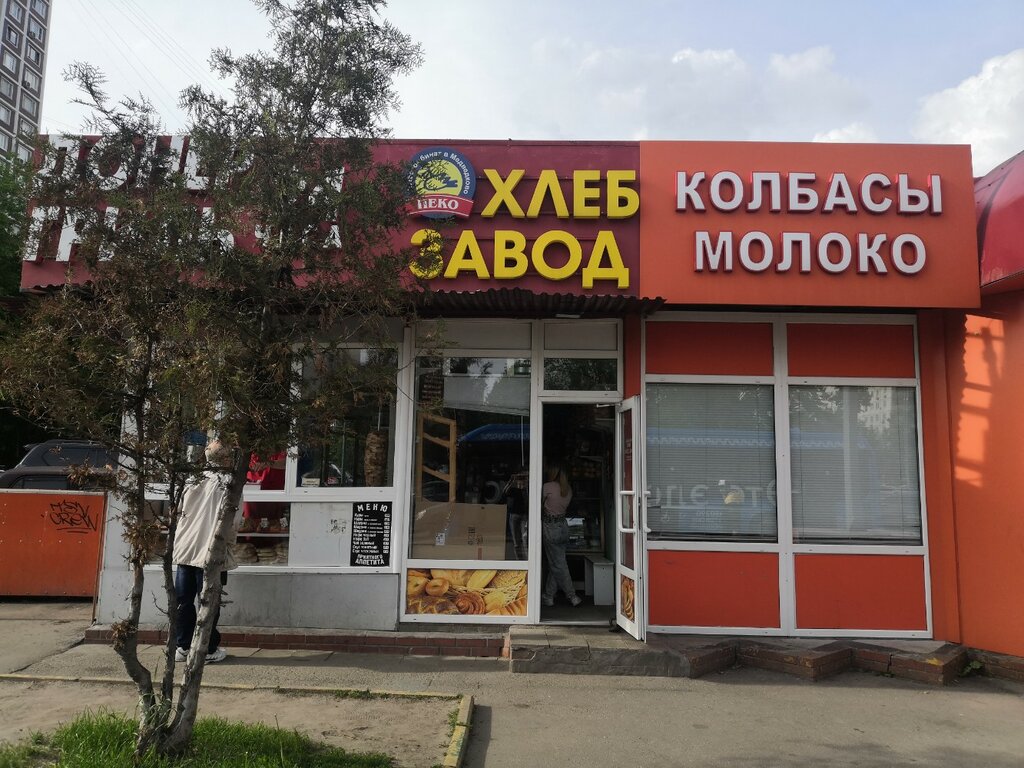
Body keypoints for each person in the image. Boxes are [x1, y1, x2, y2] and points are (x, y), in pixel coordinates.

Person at [172, 439, 240, 664]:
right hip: (212, 550)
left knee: (184, 601)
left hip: (186, 547)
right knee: (209, 602)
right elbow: (233, 522)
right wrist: (229, 545)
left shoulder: (193, 479)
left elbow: (180, 511)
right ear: (227, 458)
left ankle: (183, 646)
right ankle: (207, 647)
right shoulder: (230, 484)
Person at [541, 463, 582, 607]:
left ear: (553, 473)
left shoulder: (547, 487)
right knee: (557, 562)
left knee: (559, 564)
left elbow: (536, 504)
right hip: (563, 526)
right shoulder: (568, 489)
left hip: (551, 526)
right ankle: (548, 596)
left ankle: (572, 596)